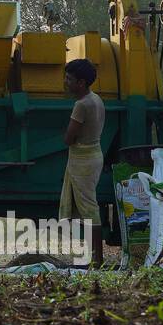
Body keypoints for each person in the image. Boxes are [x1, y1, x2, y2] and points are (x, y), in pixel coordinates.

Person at [61, 58, 105, 266]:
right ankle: (93, 256)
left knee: (89, 208)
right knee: (88, 207)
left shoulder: (81, 105)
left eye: (69, 79)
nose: (65, 82)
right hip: (93, 155)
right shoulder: (96, 99)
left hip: (83, 160)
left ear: (81, 83)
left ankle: (97, 258)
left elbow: (69, 138)